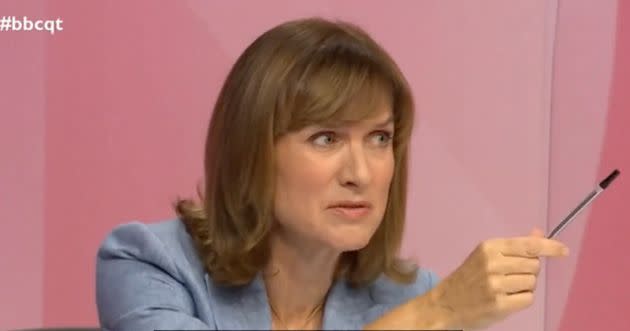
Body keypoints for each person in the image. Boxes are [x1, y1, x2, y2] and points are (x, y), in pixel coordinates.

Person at [95, 17, 569, 330]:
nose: (361, 173)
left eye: (380, 138)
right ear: (251, 150)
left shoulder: (411, 294)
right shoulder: (150, 263)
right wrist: (436, 314)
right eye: (327, 138)